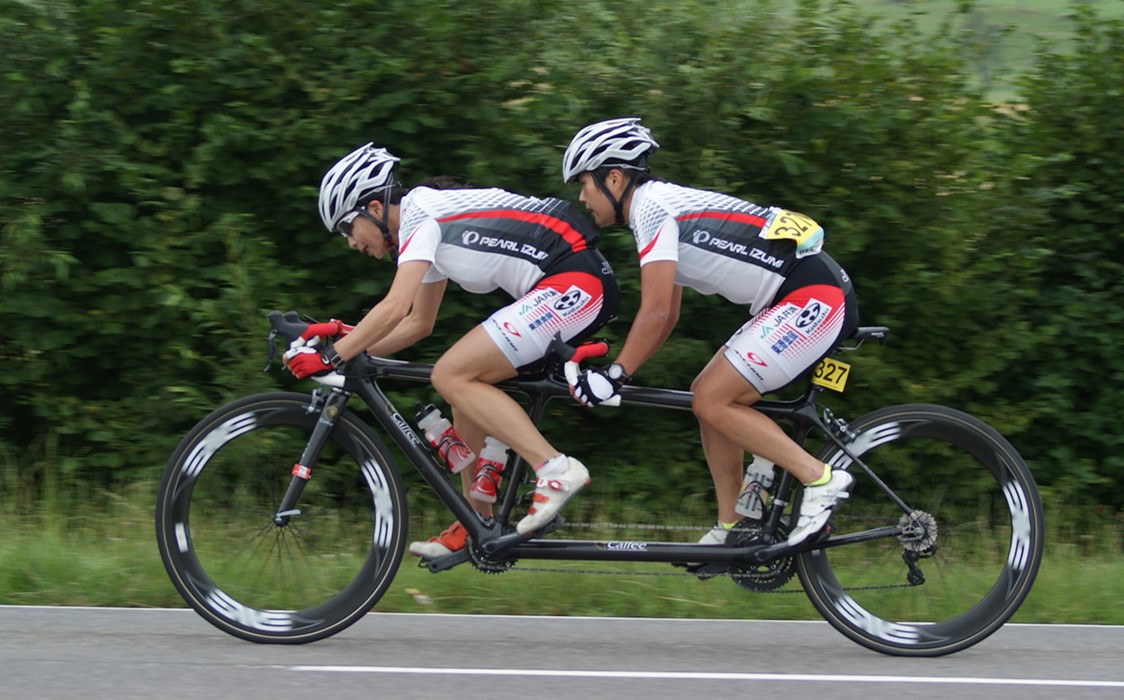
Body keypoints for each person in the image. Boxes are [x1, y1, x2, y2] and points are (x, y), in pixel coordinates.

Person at [287, 143, 619, 558]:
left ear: (373, 207)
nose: (351, 243)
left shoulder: (419, 216)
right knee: (463, 389)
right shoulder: (424, 227)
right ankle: (476, 522)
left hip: (575, 282)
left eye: (347, 228)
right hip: (566, 283)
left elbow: (394, 306)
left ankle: (555, 469)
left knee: (451, 373)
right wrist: (344, 347)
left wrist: (331, 356)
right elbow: (415, 324)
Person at [562, 118, 859, 547]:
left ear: (614, 177)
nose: (581, 195)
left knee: (711, 398)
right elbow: (667, 315)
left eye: (584, 182)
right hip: (798, 295)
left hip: (812, 297)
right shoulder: (662, 205)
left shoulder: (650, 209)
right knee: (710, 395)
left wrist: (615, 374)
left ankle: (820, 478)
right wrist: (623, 369)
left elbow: (657, 310)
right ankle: (733, 526)